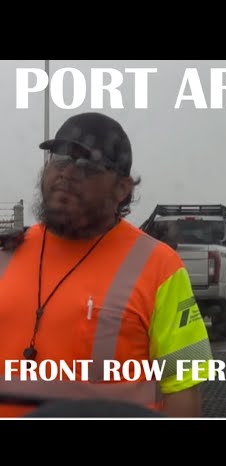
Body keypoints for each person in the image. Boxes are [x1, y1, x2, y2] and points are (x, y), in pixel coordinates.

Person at [0, 112, 213, 418]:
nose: (67, 173)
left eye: (87, 165)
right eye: (59, 159)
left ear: (122, 188)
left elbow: (182, 387)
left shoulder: (159, 267)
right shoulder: (6, 254)